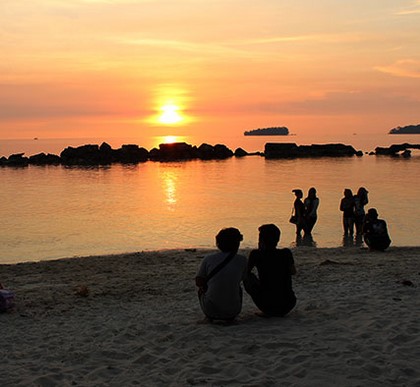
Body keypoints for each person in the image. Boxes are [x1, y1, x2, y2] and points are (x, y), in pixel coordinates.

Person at [244, 224, 296, 317]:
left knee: (248, 277)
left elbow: (246, 272)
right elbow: (293, 272)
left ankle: (266, 310)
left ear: (262, 239)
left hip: (267, 304)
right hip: (289, 303)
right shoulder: (286, 253)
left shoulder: (256, 254)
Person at [195, 227, 247, 322]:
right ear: (237, 243)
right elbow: (242, 278)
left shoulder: (208, 259)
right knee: (237, 288)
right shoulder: (242, 260)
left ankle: (211, 313)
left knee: (201, 290)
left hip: (211, 311)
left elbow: (198, 282)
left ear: (218, 244)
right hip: (234, 311)